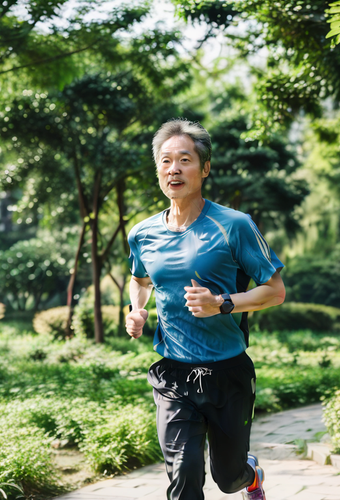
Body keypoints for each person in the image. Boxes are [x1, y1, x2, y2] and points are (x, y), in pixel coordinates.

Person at [125, 119, 286, 500]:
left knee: (227, 477)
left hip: (227, 372)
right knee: (184, 474)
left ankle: (250, 475)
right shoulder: (142, 234)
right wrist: (137, 310)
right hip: (173, 374)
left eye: (184, 160)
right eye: (165, 161)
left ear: (205, 168)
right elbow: (141, 280)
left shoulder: (234, 225)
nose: (174, 169)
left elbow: (275, 291)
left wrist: (222, 304)